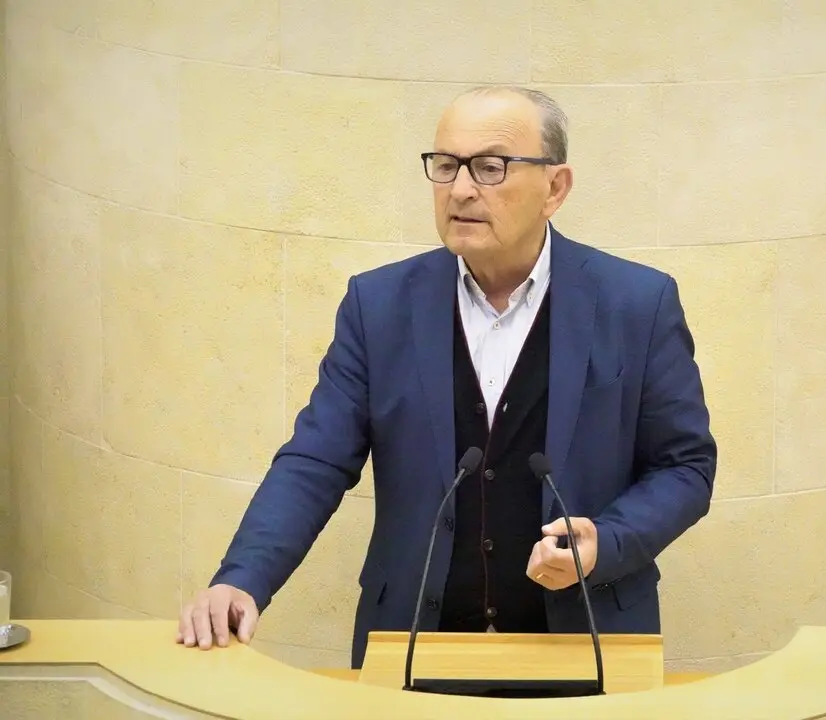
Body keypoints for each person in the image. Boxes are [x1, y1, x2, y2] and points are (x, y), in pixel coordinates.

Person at [177, 85, 717, 669]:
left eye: (490, 167)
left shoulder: (637, 304)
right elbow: (315, 460)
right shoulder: (378, 306)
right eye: (445, 165)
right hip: (413, 645)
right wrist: (242, 578)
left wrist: (605, 543)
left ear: (555, 188)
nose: (460, 189)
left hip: (587, 646)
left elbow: (685, 466)